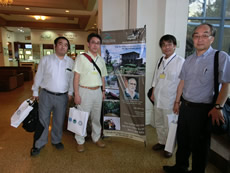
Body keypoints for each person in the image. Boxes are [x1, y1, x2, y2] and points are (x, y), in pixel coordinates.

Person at [163, 23, 230, 173]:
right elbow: (182, 82)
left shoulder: (220, 57)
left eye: (205, 35)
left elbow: (226, 84)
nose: (200, 39)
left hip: (203, 110)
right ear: (193, 39)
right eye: (196, 36)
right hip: (185, 107)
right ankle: (180, 167)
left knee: (199, 145)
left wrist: (218, 107)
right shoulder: (189, 60)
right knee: (183, 140)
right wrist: (177, 101)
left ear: (212, 38)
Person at [31, 36, 74, 156]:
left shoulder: (71, 62)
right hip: (46, 94)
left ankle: (56, 140)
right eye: (60, 44)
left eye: (66, 45)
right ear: (55, 46)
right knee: (42, 120)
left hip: (62, 97)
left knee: (59, 121)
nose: (63, 46)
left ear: (67, 48)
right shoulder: (46, 59)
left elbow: (71, 80)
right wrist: (35, 91)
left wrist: (70, 92)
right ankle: (39, 143)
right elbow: (38, 76)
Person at [151, 34, 184, 158]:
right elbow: (156, 77)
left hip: (171, 99)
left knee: (170, 124)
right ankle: (161, 142)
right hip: (158, 97)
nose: (166, 47)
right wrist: (153, 92)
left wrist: (177, 101)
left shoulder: (180, 62)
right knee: (159, 122)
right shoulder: (161, 60)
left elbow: (182, 82)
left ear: (175, 46)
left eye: (169, 44)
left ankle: (169, 148)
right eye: (164, 45)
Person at [73, 33, 108, 152]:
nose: (95, 45)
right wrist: (76, 94)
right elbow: (76, 77)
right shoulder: (81, 58)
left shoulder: (101, 60)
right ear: (88, 44)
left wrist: (103, 91)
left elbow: (103, 77)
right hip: (84, 91)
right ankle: (80, 140)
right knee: (81, 117)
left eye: (98, 43)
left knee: (96, 118)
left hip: (97, 91)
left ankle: (96, 137)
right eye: (93, 42)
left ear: (100, 45)